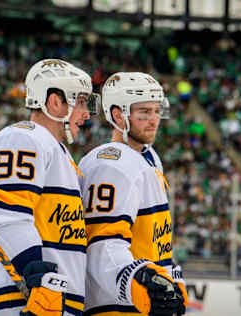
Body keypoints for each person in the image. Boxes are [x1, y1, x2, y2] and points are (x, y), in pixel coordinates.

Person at [0, 58, 99, 316]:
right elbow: (7, 216)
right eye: (80, 102)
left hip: (50, 299)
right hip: (16, 299)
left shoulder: (60, 154)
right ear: (55, 102)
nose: (86, 114)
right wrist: (37, 274)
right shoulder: (23, 137)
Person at [79, 72, 188, 316]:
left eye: (157, 111)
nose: (154, 120)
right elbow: (102, 244)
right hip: (115, 306)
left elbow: (153, 242)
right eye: (144, 113)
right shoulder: (109, 163)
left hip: (142, 305)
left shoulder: (149, 158)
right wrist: (137, 279)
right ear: (117, 115)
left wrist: (169, 277)